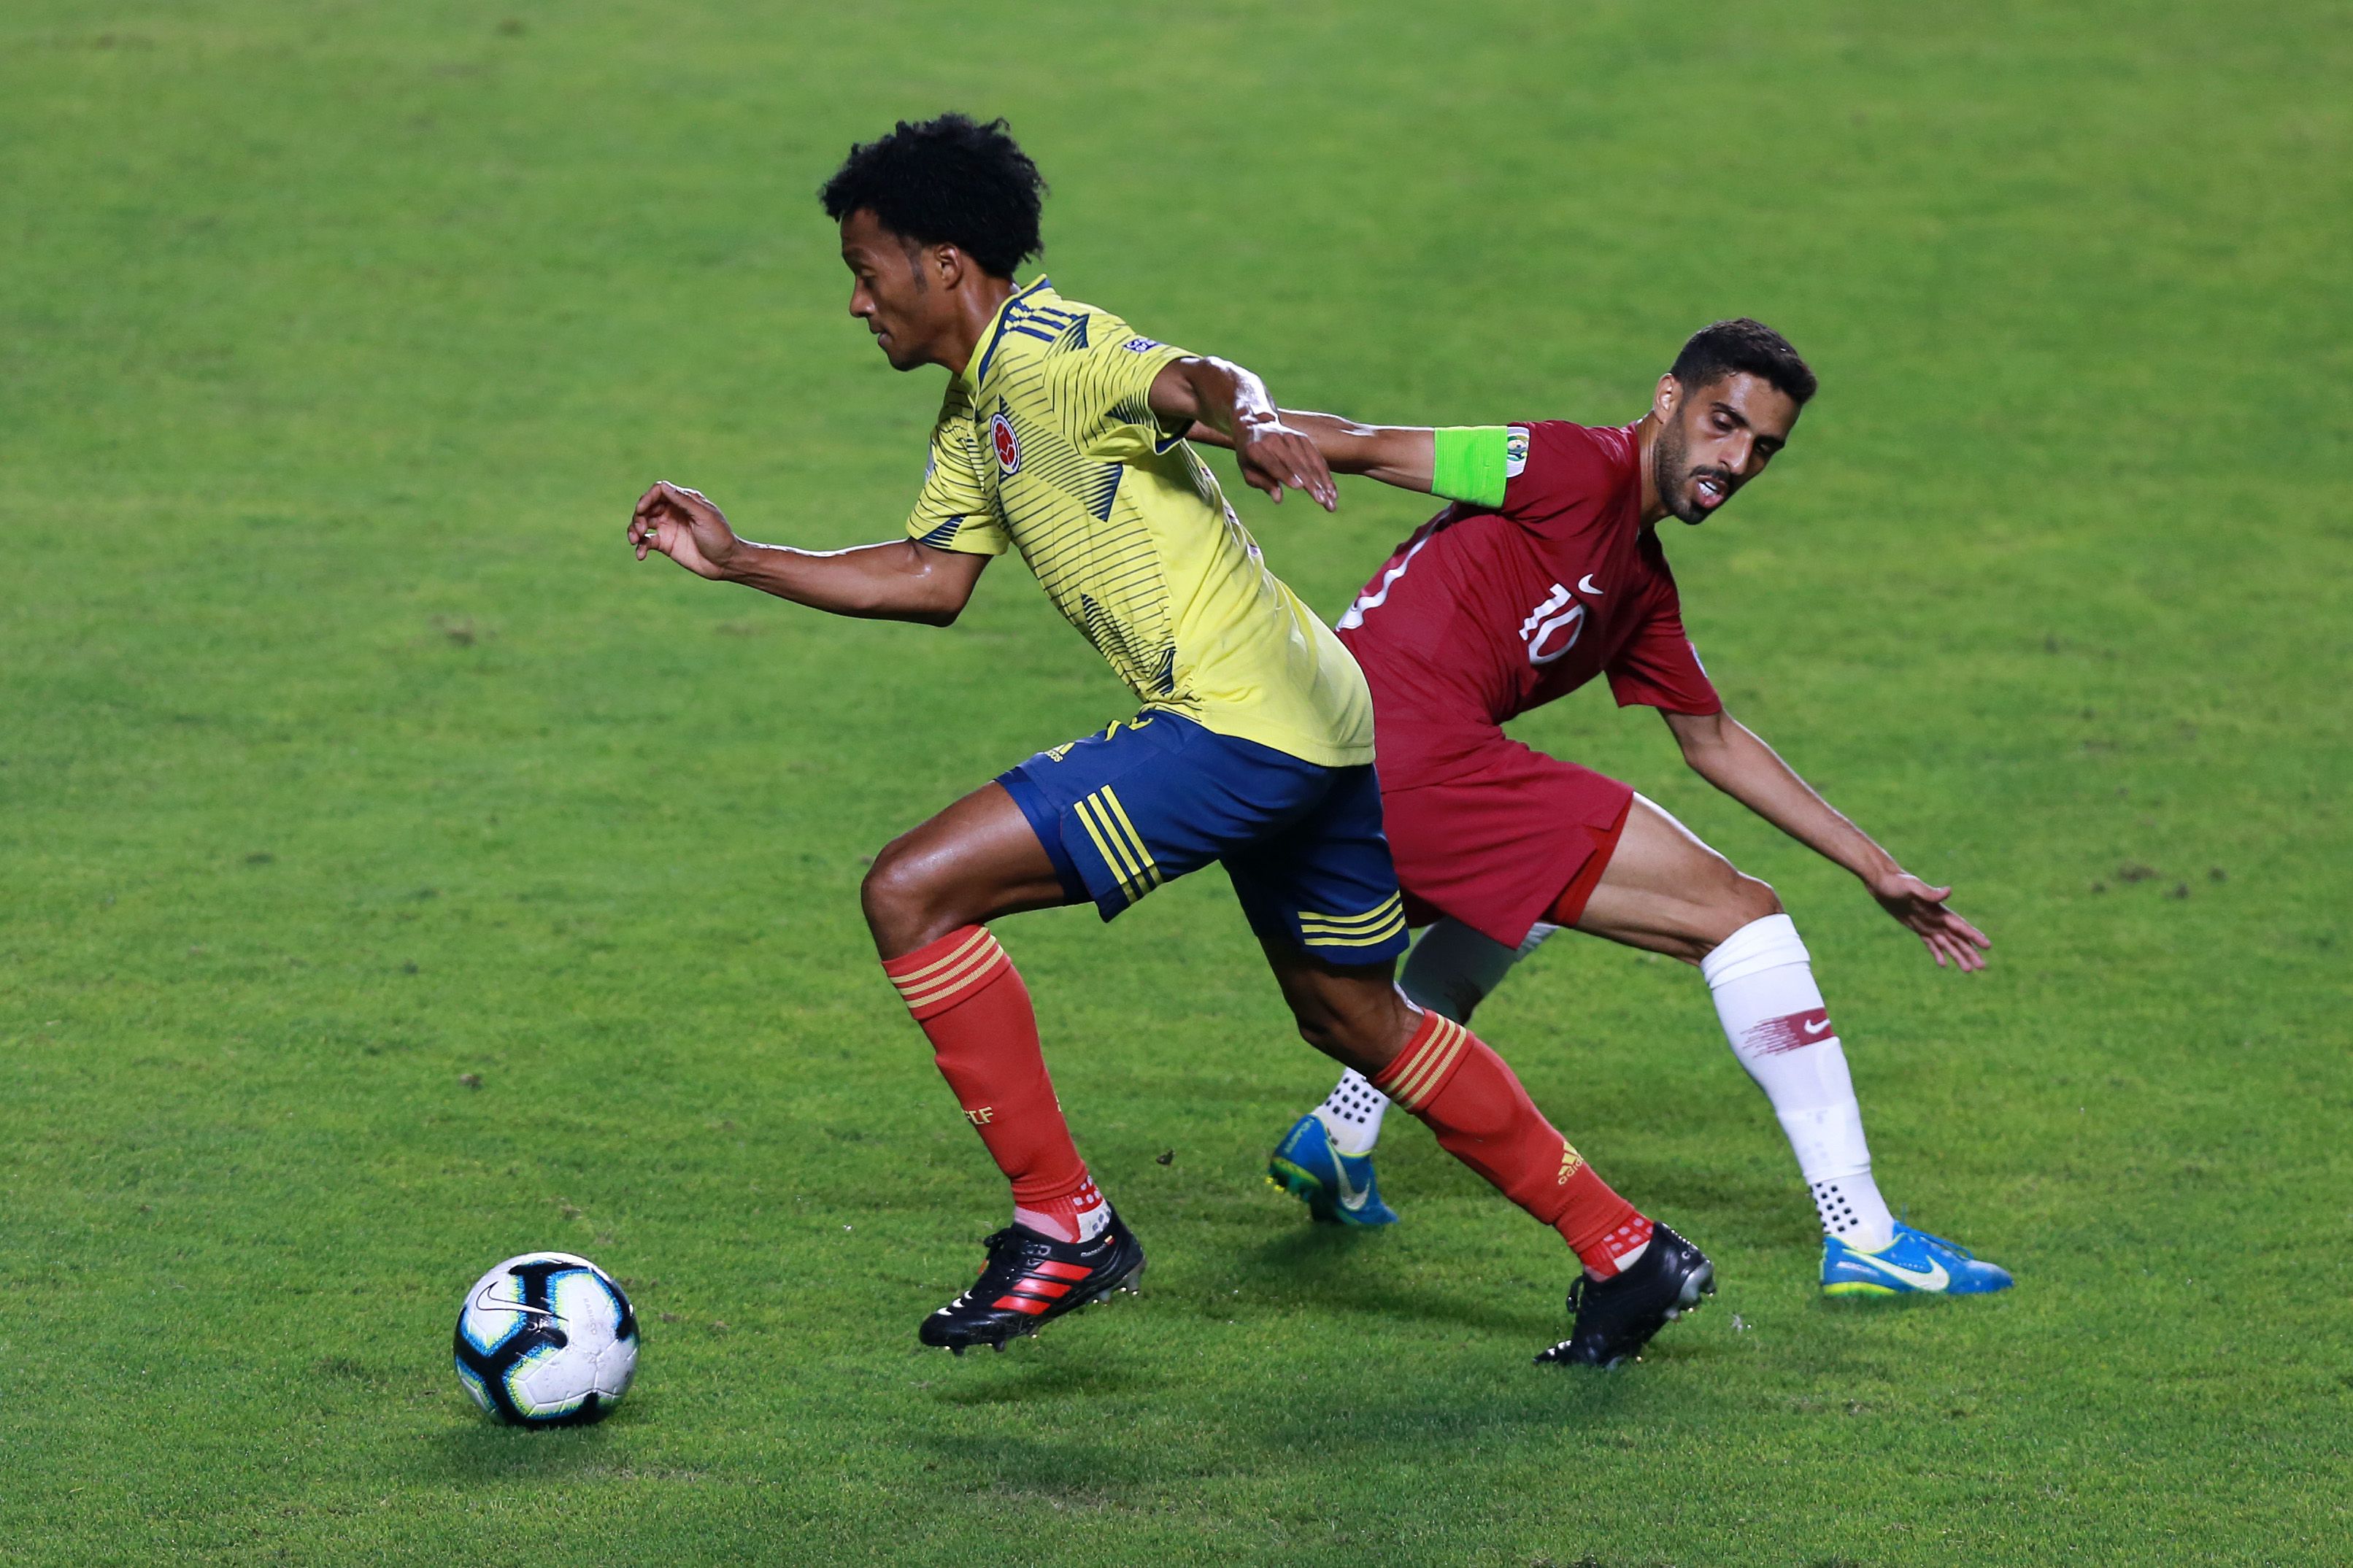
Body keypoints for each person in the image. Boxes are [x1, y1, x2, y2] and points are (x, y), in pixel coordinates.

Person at [625, 115, 1714, 1364]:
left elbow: (1194, 376)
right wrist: (741, 558)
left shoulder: (1051, 348)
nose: (856, 304)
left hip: (1241, 725)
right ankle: (1628, 1250)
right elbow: (928, 579)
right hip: (1324, 716)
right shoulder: (975, 411)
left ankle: (1066, 1223)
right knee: (1356, 1019)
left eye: (864, 273)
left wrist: (1250, 420)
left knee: (911, 890)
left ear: (941, 261)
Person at [1195, 320, 2012, 1296]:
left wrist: (1873, 864)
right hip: (1405, 752)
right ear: (1668, 400)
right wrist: (1183, 414)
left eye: (1763, 448)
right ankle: (1863, 1233)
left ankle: (1341, 1132)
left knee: (1523, 903)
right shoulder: (1566, 464)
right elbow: (1364, 444)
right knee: (1741, 916)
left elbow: (1712, 738)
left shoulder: (1638, 581)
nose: (1736, 460)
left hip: (1329, 769)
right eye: (1723, 424)